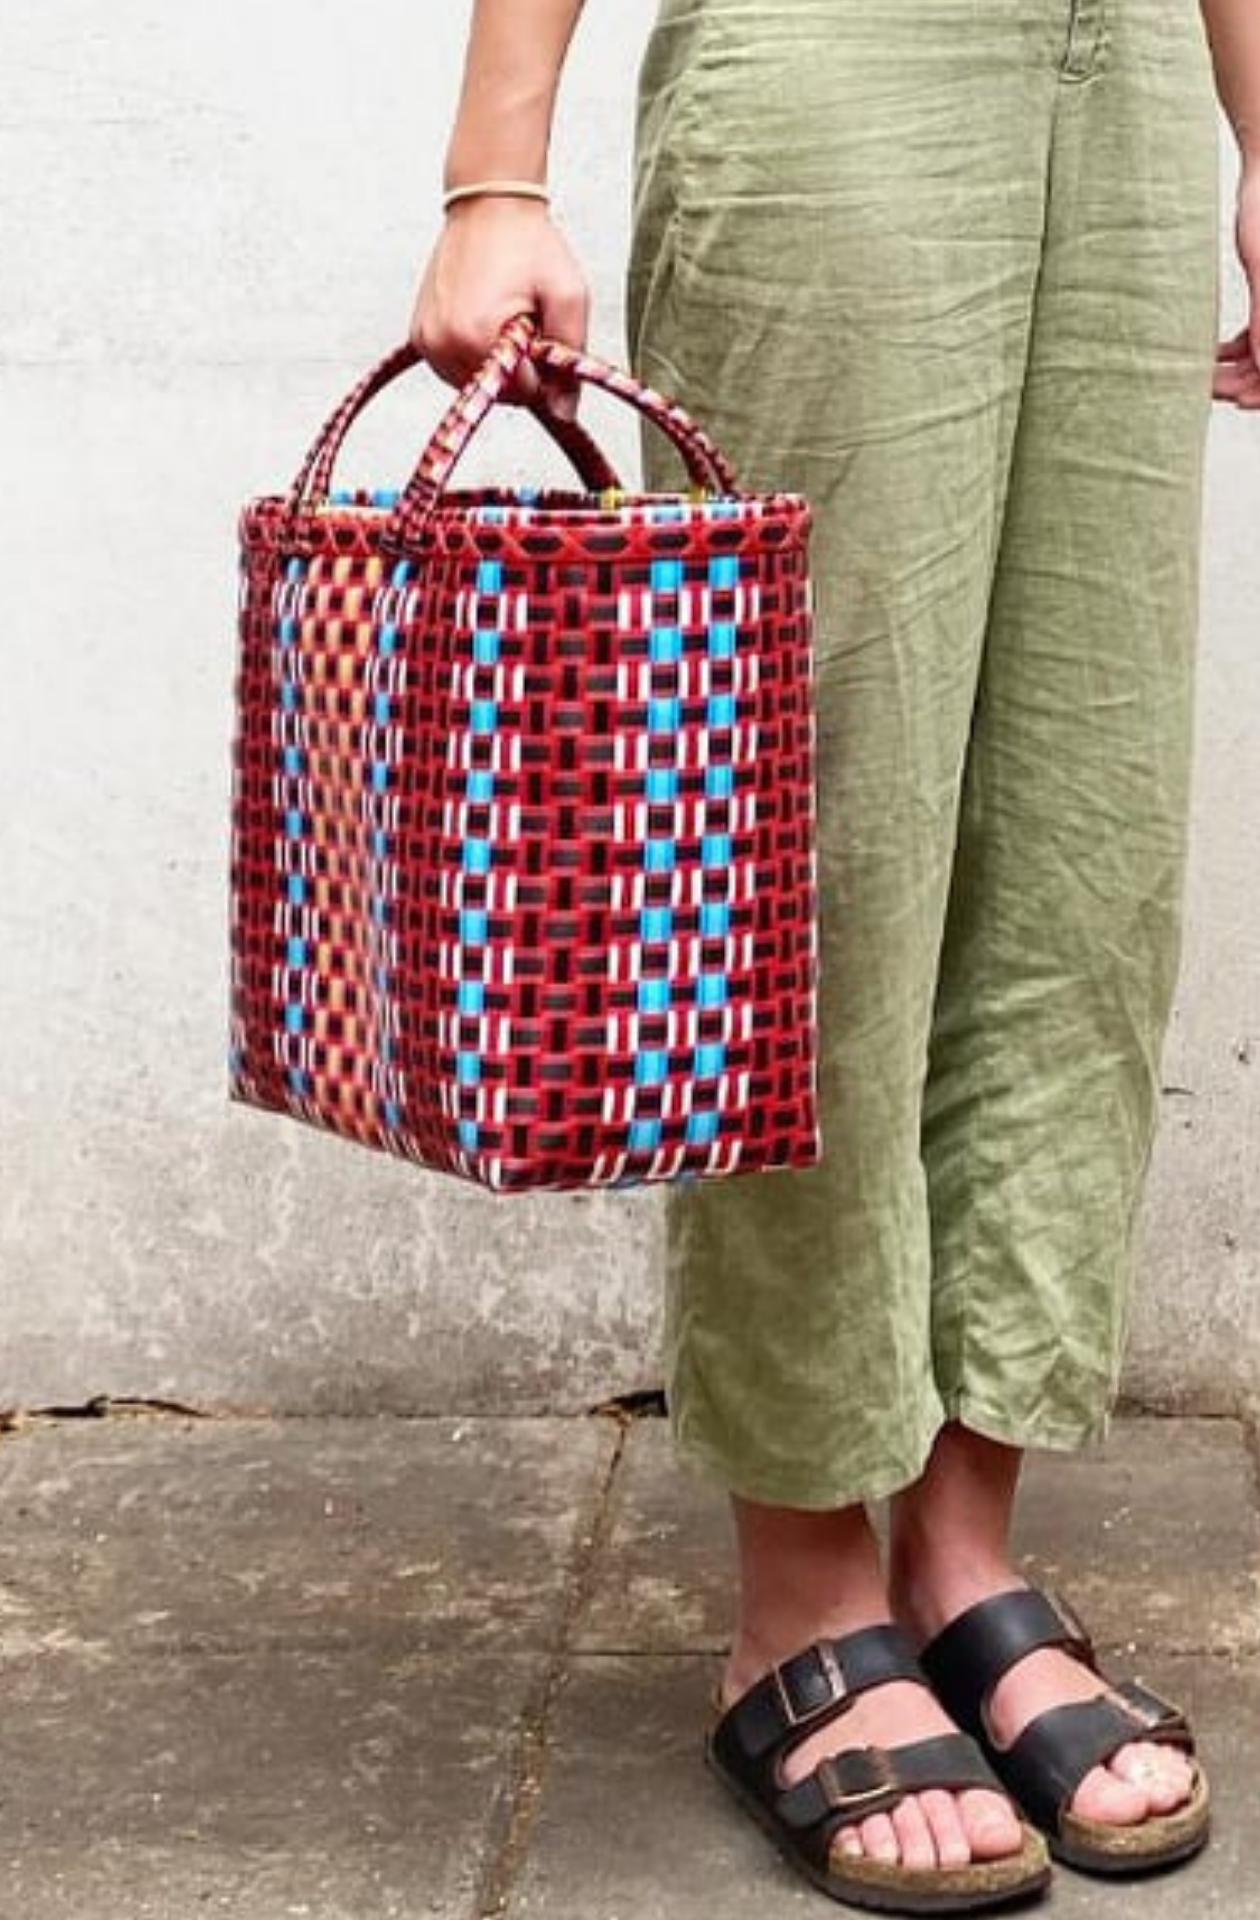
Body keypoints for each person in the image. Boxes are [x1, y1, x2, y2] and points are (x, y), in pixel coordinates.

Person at [412, 0, 1260, 1910]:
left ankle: (965, 1558)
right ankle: (799, 1592)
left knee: (1079, 863)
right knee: (818, 868)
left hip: (1124, 82)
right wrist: (494, 171)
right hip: (837, 58)